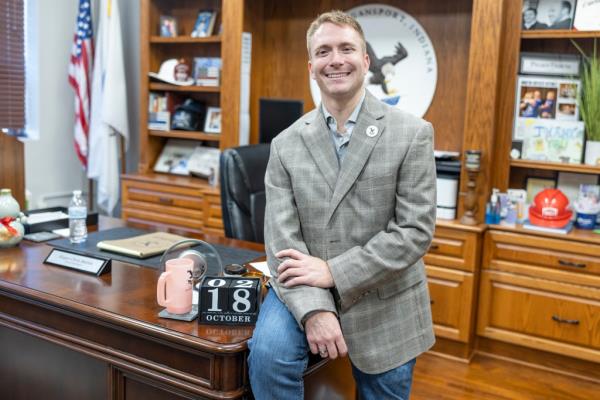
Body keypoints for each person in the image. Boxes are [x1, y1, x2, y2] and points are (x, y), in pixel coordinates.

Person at [248, 10, 436, 400]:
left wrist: (333, 271)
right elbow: (282, 239)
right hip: (302, 286)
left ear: (365, 60)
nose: (335, 59)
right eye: (323, 51)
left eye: (346, 48)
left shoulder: (412, 133)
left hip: (384, 293)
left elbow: (415, 232)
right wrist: (316, 310)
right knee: (267, 356)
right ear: (312, 66)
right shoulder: (285, 144)